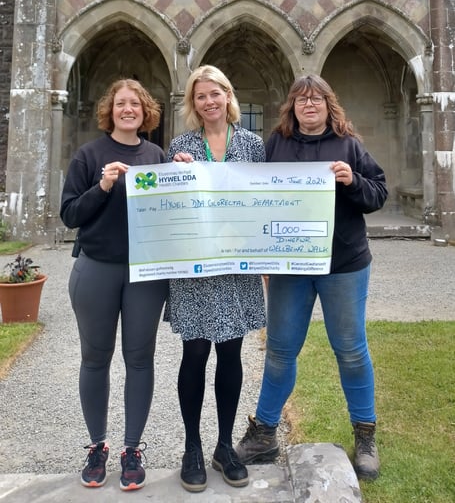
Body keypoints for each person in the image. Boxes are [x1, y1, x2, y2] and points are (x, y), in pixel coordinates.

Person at [235, 74, 387, 481]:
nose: (309, 105)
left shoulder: (349, 145)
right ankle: (265, 432)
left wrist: (353, 181)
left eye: (316, 99)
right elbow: (255, 196)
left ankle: (366, 434)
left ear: (328, 105)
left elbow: (378, 192)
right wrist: (261, 253)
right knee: (281, 350)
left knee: (351, 350)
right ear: (292, 107)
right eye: (301, 100)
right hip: (291, 267)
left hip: (344, 264)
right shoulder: (277, 145)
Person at [60, 78, 169, 492]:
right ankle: (96, 447)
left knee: (140, 359)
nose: (128, 109)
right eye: (121, 103)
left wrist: (180, 175)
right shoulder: (90, 155)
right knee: (95, 358)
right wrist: (102, 185)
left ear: (145, 112)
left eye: (135, 104)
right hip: (96, 268)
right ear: (111, 110)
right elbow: (70, 213)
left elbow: (169, 210)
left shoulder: (155, 155)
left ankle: (131, 450)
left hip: (144, 273)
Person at [165, 65, 266, 493]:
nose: (209, 101)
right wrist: (176, 172)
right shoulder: (181, 145)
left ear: (228, 96)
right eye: (200, 96)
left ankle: (224, 446)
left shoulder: (253, 145)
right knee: (194, 356)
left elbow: (264, 200)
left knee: (231, 357)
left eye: (215, 93)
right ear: (194, 103)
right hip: (196, 268)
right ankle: (192, 447)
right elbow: (170, 203)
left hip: (237, 267)